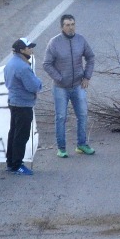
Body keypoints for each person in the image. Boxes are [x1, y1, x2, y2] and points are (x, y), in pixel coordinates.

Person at [41, 13, 96, 158]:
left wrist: (87, 76)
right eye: (67, 25)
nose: (71, 27)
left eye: (72, 24)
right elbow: (46, 64)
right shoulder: (54, 43)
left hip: (78, 85)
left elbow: (90, 57)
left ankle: (82, 145)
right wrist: (60, 78)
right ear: (62, 27)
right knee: (61, 117)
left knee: (83, 115)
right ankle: (61, 148)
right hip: (60, 87)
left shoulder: (81, 40)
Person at [4, 37, 42, 176]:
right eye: (29, 47)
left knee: (13, 133)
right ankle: (17, 165)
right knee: (21, 135)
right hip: (23, 105)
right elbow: (33, 86)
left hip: (13, 102)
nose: (31, 49)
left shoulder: (11, 63)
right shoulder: (23, 67)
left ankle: (11, 162)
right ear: (22, 50)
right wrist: (39, 82)